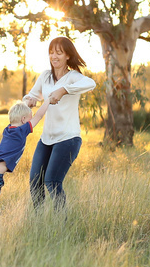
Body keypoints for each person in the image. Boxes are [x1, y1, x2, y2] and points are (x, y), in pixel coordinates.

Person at [23, 36, 96, 210]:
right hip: (47, 138)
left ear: (68, 56)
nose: (54, 56)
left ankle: (60, 224)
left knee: (52, 181)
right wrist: (29, 100)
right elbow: (31, 95)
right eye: (51, 52)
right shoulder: (45, 76)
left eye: (59, 53)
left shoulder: (73, 77)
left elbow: (91, 83)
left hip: (68, 139)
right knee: (35, 181)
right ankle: (39, 222)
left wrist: (63, 90)